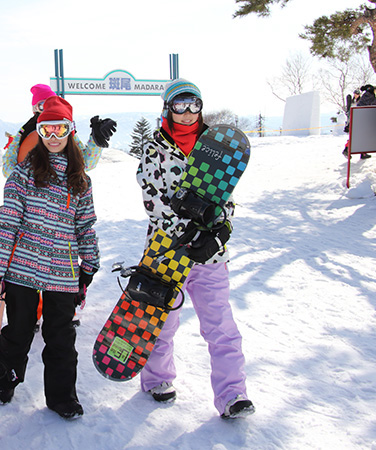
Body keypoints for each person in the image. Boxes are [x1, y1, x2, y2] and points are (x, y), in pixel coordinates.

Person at [135, 78, 255, 420]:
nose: (188, 113)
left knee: (221, 325)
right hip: (166, 251)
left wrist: (218, 231)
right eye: (180, 105)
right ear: (168, 109)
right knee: (161, 320)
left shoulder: (216, 147)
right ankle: (157, 379)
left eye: (194, 105)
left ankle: (234, 394)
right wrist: (187, 231)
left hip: (209, 255)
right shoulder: (154, 149)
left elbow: (226, 199)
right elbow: (153, 201)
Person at [0, 96, 100, 420]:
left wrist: (89, 264)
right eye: (46, 129)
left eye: (59, 128)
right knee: (20, 329)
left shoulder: (81, 180)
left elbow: (85, 226)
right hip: (22, 267)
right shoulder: (22, 174)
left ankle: (62, 397)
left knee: (60, 335)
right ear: (39, 131)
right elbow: (8, 223)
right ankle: (5, 378)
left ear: (70, 131)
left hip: (61, 271)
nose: (52, 136)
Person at [2, 84, 115, 328]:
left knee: (56, 266)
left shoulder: (64, 133)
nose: (44, 110)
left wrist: (96, 141)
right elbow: (9, 168)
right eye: (39, 106)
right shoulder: (23, 135)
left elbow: (85, 164)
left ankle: (63, 306)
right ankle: (29, 313)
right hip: (28, 209)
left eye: (48, 103)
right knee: (29, 265)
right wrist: (28, 181)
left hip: (62, 215)